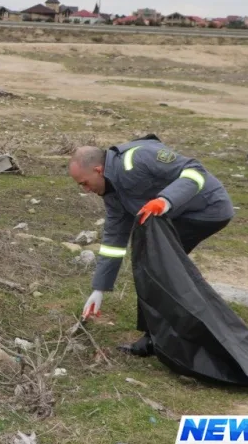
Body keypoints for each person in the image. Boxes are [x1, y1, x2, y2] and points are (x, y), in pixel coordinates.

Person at [69, 136, 234, 356]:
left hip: (207, 210)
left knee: (155, 266)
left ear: (98, 170)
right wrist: (99, 289)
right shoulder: (112, 193)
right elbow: (114, 241)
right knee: (154, 265)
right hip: (176, 216)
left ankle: (160, 338)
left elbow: (195, 171)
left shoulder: (138, 158)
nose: (85, 190)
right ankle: (158, 335)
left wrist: (166, 200)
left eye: (84, 183)